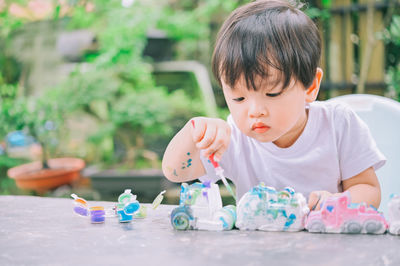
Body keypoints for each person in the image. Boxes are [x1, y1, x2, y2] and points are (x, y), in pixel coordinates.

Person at [162, 0, 386, 210]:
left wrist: (339, 202)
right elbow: (174, 172)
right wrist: (194, 131)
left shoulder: (338, 124)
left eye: (272, 93)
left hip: (328, 244)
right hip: (258, 249)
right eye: (239, 98)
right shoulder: (235, 138)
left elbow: (368, 190)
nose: (255, 111)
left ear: (310, 87)